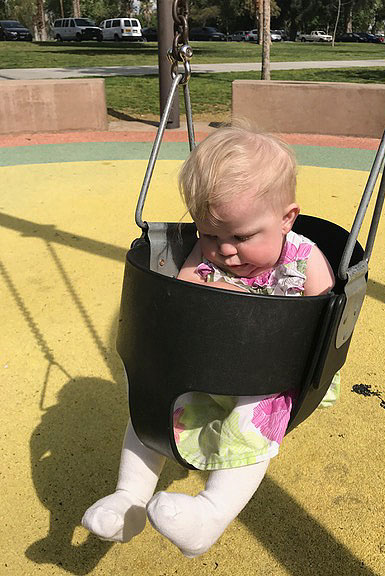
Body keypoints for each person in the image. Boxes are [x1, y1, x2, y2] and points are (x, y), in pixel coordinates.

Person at [82, 124, 338, 557]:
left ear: (286, 219)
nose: (224, 251)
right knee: (154, 405)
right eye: (208, 234)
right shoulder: (207, 253)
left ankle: (212, 512)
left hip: (272, 379)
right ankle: (129, 497)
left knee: (256, 419)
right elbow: (187, 296)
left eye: (240, 237)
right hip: (206, 369)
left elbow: (324, 315)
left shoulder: (305, 259)